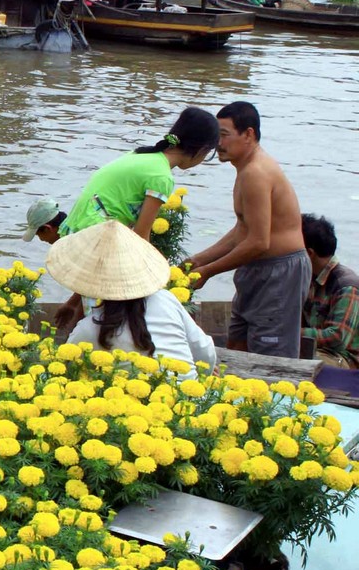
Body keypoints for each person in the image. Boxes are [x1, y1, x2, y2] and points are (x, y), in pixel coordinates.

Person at [54, 107, 219, 330]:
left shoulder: (142, 155)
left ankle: (77, 333)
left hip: (87, 227)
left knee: (96, 305)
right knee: (107, 309)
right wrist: (153, 280)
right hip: (99, 231)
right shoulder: (161, 177)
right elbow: (141, 235)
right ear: (201, 150)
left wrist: (72, 302)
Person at [189, 102, 309, 358]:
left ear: (249, 134)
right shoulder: (244, 170)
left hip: (278, 274)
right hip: (254, 271)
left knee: (270, 357)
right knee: (237, 346)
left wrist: (208, 271)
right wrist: (199, 260)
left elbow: (258, 242)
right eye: (215, 136)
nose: (217, 143)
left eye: (223, 135)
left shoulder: (256, 172)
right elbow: (241, 230)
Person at [53, 222, 217, 377]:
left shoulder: (90, 328)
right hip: (191, 401)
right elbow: (205, 354)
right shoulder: (166, 299)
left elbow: (68, 368)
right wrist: (205, 374)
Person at [301, 214, 359, 368]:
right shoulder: (309, 278)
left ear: (309, 253)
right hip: (317, 350)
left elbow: (337, 338)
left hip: (345, 358)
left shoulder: (347, 285)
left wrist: (294, 332)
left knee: (302, 362)